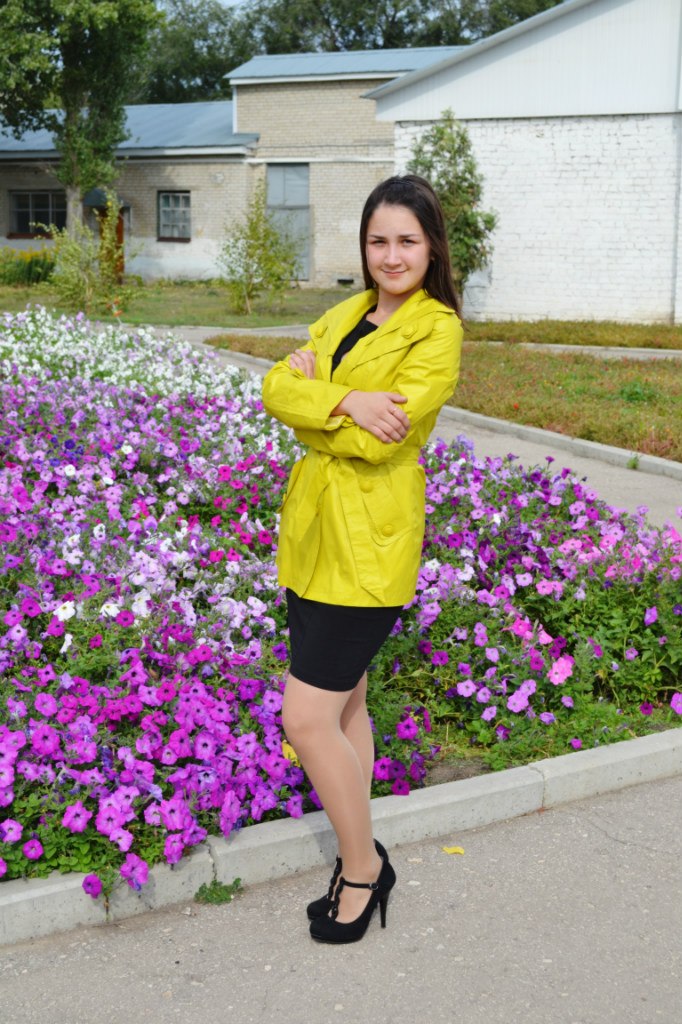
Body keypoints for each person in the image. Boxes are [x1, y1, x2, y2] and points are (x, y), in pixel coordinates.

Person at [261, 174, 463, 944]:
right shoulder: (344, 314)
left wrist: (317, 400)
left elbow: (390, 439)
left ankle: (362, 868)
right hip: (314, 533)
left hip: (370, 542)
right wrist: (347, 401)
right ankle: (359, 845)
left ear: (432, 247)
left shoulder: (437, 331)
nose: (391, 255)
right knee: (347, 705)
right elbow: (277, 389)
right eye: (379, 240)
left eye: (407, 240)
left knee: (306, 716)